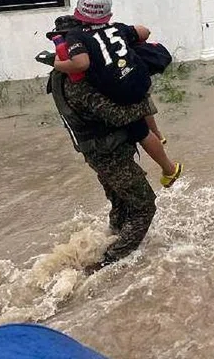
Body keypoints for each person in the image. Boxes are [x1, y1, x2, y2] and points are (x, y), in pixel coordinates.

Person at [49, 0, 182, 188]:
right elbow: (144, 32)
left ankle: (169, 169)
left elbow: (81, 63)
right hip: (139, 79)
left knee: (140, 131)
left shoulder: (77, 36)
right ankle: (159, 135)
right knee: (140, 101)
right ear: (109, 15)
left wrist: (57, 63)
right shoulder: (117, 28)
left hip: (119, 93)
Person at [45, 66, 157, 275]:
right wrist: (143, 103)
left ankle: (111, 240)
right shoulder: (77, 83)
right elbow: (116, 116)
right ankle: (106, 264)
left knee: (121, 204)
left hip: (99, 153)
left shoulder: (63, 75)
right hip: (109, 155)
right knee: (144, 206)